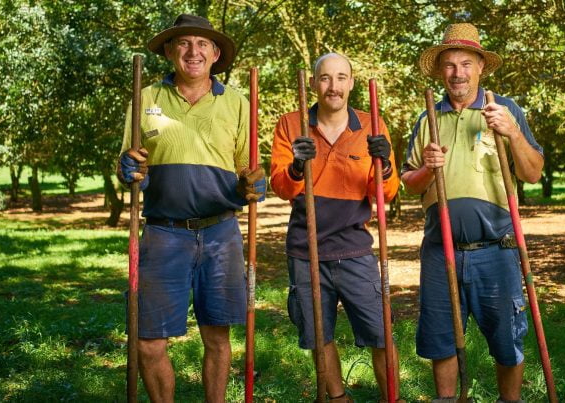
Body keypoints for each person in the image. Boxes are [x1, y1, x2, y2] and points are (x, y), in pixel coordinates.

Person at [116, 14, 265, 403]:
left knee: (217, 337)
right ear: (169, 51)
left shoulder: (237, 102)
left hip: (221, 234)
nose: (193, 52)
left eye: (202, 44)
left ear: (215, 54)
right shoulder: (146, 97)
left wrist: (254, 183)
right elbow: (129, 165)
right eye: (183, 43)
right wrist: (130, 169)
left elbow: (248, 169)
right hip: (163, 233)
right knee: (148, 342)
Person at [401, 23, 544, 403]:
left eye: (466, 63)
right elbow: (408, 183)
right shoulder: (427, 118)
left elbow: (532, 172)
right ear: (440, 72)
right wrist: (425, 169)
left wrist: (512, 133)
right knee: (441, 339)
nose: (457, 73)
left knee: (506, 340)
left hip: (497, 249)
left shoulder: (504, 109)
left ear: (480, 67)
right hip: (440, 249)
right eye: (449, 65)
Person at [270, 52, 402, 402]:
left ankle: (393, 398)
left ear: (352, 83)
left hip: (355, 248)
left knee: (381, 333)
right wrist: (298, 167)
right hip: (306, 248)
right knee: (319, 334)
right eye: (325, 78)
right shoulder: (291, 124)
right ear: (313, 83)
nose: (333, 86)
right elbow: (280, 187)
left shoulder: (372, 124)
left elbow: (387, 193)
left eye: (341, 77)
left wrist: (385, 164)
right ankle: (338, 397)